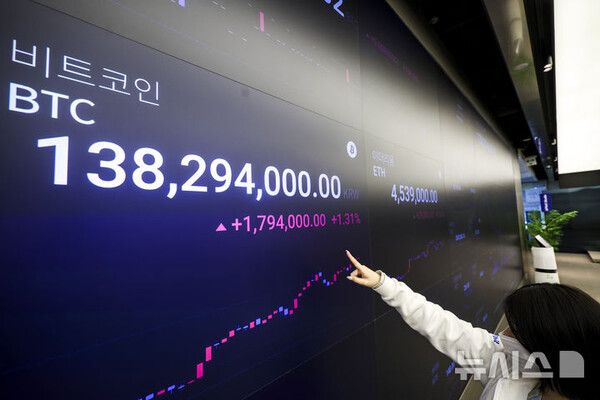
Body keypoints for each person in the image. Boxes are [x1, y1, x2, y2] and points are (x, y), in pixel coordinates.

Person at [345, 250, 599, 400]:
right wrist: (384, 285)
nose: (502, 334)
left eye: (515, 331)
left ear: (547, 349)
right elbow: (443, 325)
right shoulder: (508, 363)